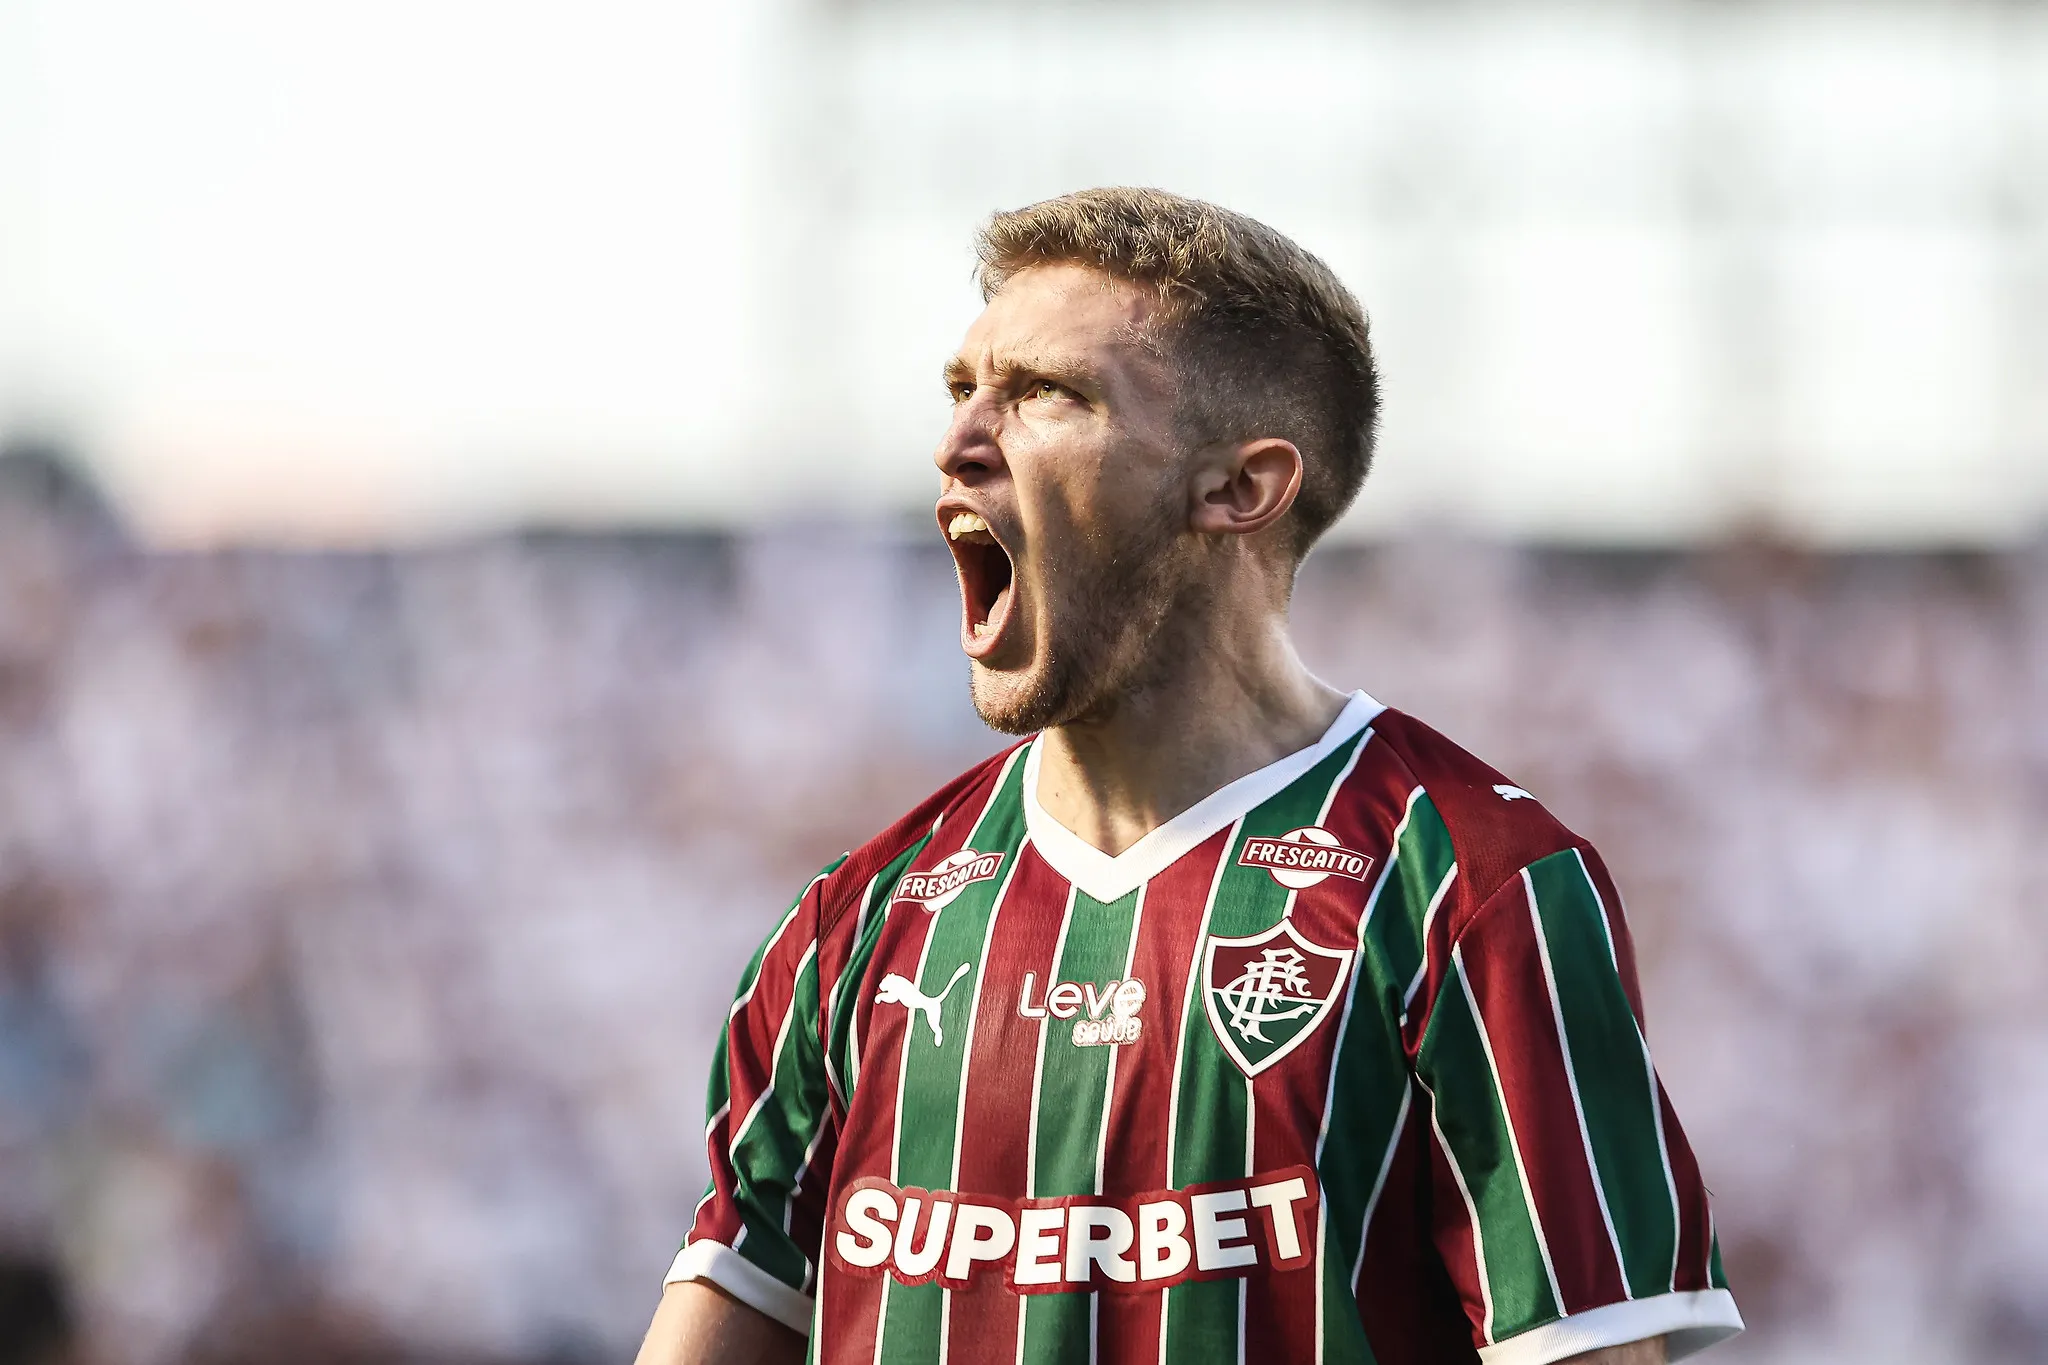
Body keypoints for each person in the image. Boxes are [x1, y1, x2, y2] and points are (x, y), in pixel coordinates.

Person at [633, 188, 1743, 1365]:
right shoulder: (855, 924)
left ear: (1236, 490)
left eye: (1047, 394)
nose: (960, 443)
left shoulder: (1468, 892)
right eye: (964, 391)